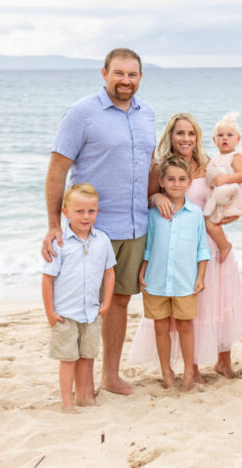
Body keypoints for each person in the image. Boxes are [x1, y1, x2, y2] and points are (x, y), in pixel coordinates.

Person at [42, 48, 156, 396]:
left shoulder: (147, 113)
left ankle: (111, 375)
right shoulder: (81, 113)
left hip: (136, 226)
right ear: (104, 73)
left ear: (140, 77)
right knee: (84, 305)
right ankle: (79, 383)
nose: (125, 80)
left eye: (132, 74)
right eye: (118, 73)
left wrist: (160, 198)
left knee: (119, 301)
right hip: (93, 230)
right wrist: (53, 224)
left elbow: (149, 167)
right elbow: (58, 168)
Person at [129, 112, 242, 380]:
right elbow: (145, 200)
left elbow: (227, 193)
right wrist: (157, 196)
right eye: (180, 133)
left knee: (217, 304)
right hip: (177, 250)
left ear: (198, 137)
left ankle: (223, 362)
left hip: (209, 245)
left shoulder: (208, 164)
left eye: (191, 133)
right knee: (184, 312)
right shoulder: (161, 168)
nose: (186, 138)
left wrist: (231, 214)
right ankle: (189, 368)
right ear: (170, 135)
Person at [138, 156, 211, 391]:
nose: (176, 184)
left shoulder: (195, 214)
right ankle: (166, 371)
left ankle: (189, 370)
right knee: (160, 327)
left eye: (181, 179)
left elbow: (202, 249)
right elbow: (148, 247)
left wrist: (200, 277)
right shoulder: (153, 215)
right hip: (155, 280)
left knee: (185, 326)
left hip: (185, 281)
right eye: (170, 179)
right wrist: (142, 272)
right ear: (161, 182)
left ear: (190, 182)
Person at [41, 184, 115, 412]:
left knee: (87, 356)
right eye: (80, 211)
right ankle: (66, 402)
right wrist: (51, 314)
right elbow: (47, 279)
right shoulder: (59, 244)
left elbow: (109, 272)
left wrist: (107, 303)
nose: (86, 216)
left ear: (97, 211)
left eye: (91, 211)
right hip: (65, 314)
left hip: (91, 312)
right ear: (66, 213)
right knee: (68, 359)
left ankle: (85, 397)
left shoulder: (102, 240)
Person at [203, 112, 242, 225]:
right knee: (211, 221)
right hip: (221, 195)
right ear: (214, 140)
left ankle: (224, 243)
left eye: (229, 135)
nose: (225, 138)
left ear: (238, 139)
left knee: (213, 224)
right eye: (220, 135)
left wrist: (226, 179)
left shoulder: (235, 157)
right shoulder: (216, 158)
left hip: (233, 196)